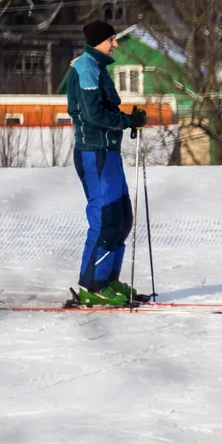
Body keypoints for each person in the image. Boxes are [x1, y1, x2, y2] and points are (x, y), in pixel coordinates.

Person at [61, 21, 146, 307]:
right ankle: (92, 286)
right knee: (104, 219)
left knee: (122, 219)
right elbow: (94, 114)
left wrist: (129, 118)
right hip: (93, 153)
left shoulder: (98, 69)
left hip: (109, 153)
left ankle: (108, 280)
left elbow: (106, 108)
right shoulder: (85, 68)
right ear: (100, 41)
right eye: (112, 39)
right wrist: (126, 121)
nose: (116, 44)